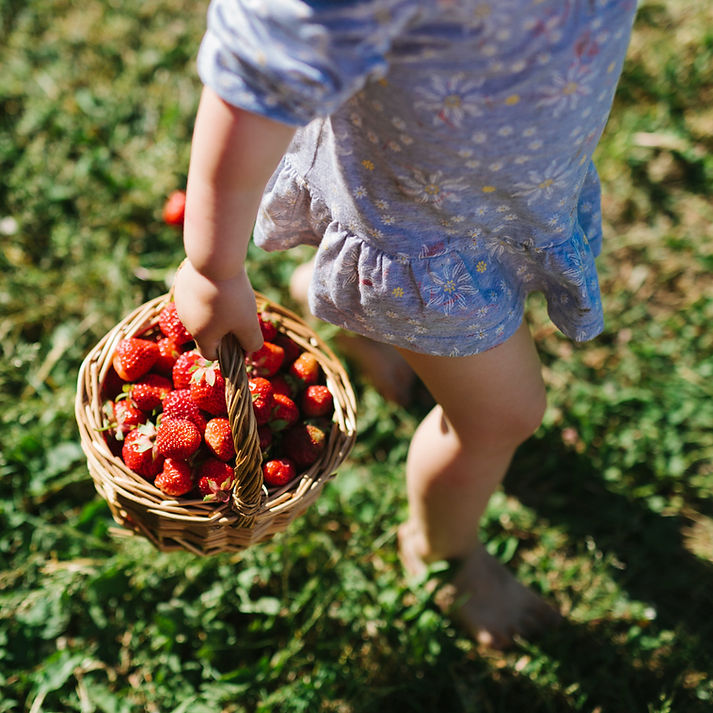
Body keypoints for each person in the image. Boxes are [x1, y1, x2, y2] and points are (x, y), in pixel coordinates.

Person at [173, 0, 638, 648]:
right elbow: (257, 68)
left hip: (505, 187)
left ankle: (347, 311)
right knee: (501, 416)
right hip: (422, 241)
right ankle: (439, 549)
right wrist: (213, 267)